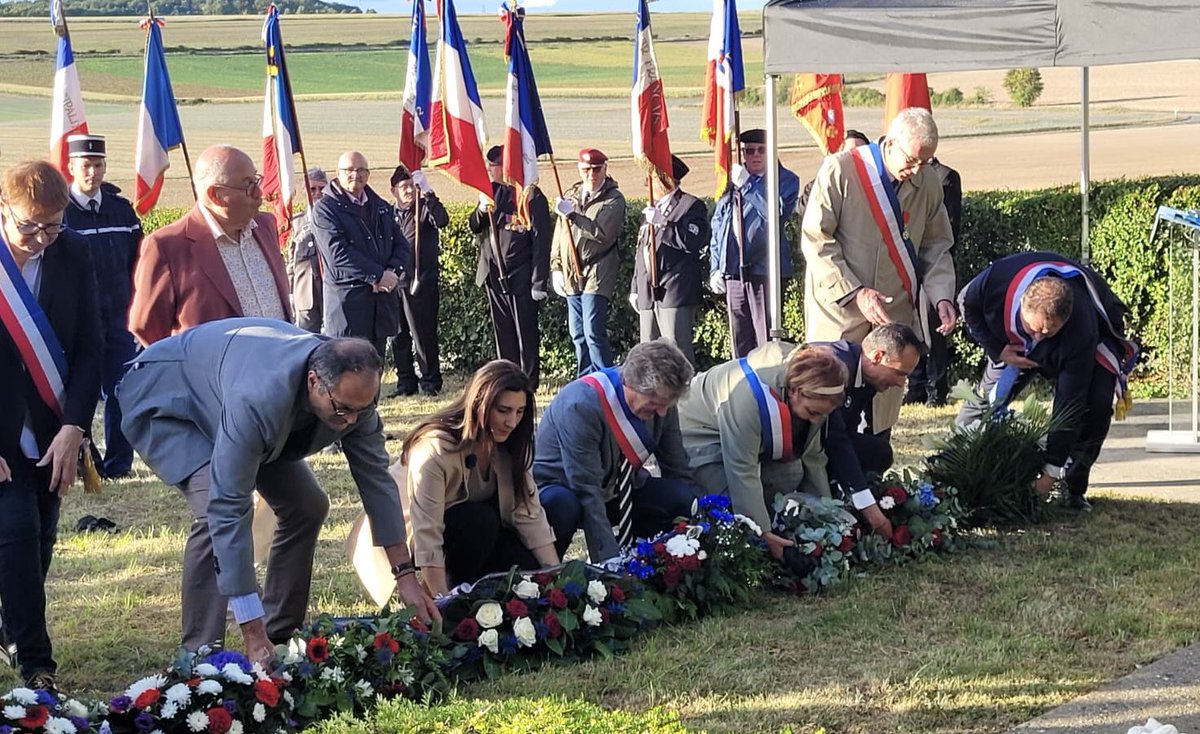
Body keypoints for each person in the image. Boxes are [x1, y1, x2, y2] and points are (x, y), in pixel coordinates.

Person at [119, 317, 438, 664]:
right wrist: (250, 632)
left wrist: (405, 576)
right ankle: (201, 658)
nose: (350, 421)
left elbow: (378, 483)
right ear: (314, 381)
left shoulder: (354, 402)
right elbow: (227, 508)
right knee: (215, 512)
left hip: (233, 400)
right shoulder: (258, 399)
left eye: (361, 410)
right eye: (342, 409)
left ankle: (281, 634)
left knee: (307, 505)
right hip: (168, 402)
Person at [0, 159, 103, 691]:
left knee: (39, 535)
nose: (42, 237)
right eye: (29, 226)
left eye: (53, 225)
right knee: (13, 529)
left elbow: (90, 347)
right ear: (4, 209)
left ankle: (12, 621)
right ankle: (36, 661)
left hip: (52, 426)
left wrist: (75, 427)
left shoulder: (73, 253)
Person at [800, 107, 957, 432]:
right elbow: (816, 239)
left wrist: (942, 297)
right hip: (840, 313)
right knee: (827, 409)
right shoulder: (841, 169)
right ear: (890, 142)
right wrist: (854, 292)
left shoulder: (926, 182)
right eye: (911, 160)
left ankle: (876, 474)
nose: (915, 170)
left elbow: (936, 245)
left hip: (892, 316)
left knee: (880, 417)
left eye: (924, 163)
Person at [956, 252, 1138, 511]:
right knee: (983, 404)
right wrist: (996, 349)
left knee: (1095, 406)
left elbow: (1069, 403)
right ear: (1022, 305)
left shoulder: (1079, 329)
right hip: (1011, 345)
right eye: (1035, 329)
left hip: (1095, 335)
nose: (1040, 337)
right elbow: (967, 305)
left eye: (1048, 331)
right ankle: (953, 469)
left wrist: (1050, 473)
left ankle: (1074, 486)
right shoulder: (996, 281)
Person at [677, 343, 893, 560]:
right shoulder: (748, 400)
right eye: (812, 412)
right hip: (698, 436)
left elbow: (813, 458)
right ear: (794, 391)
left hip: (741, 441)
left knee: (793, 473)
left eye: (822, 415)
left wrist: (830, 517)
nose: (816, 420)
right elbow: (742, 470)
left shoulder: (816, 390)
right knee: (729, 513)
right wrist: (764, 534)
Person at [394, 360, 558, 596]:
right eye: (503, 411)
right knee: (480, 520)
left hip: (484, 532)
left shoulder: (511, 444)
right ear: (480, 404)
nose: (512, 422)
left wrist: (555, 579)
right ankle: (457, 592)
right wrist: (443, 602)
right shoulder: (434, 450)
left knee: (528, 572)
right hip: (428, 534)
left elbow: (528, 513)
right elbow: (426, 534)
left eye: (519, 412)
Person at [535, 340, 701, 563]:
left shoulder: (663, 403)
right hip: (564, 489)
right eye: (655, 403)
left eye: (667, 404)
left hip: (618, 489)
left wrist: (697, 529)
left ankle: (651, 567)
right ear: (633, 385)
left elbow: (678, 468)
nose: (662, 412)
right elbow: (587, 491)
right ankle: (547, 579)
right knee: (564, 507)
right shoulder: (580, 405)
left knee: (677, 497)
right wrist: (610, 568)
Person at [129, 144, 291, 346]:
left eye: (257, 180)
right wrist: (191, 369)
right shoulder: (167, 246)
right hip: (214, 375)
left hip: (281, 368)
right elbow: (147, 327)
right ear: (215, 195)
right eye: (248, 185)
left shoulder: (266, 226)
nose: (260, 193)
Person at [61, 134, 142, 479]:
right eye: (85, 166)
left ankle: (120, 464)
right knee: (80, 391)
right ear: (71, 168)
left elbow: (138, 263)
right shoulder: (60, 214)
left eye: (98, 165)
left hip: (119, 318)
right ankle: (85, 461)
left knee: (122, 391)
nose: (92, 173)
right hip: (78, 322)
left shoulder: (121, 211)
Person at [709, 128, 801, 358]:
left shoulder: (785, 180)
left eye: (762, 150)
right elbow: (719, 225)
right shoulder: (731, 183)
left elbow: (775, 212)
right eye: (749, 151)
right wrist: (716, 267)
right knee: (740, 340)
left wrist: (749, 185)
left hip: (764, 271)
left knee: (765, 340)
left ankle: (767, 388)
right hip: (733, 272)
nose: (756, 156)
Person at [312, 151, 411, 359]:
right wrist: (376, 275)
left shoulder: (381, 206)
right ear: (337, 173)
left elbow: (402, 244)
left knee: (375, 372)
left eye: (360, 170)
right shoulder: (325, 210)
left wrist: (391, 271)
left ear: (368, 174)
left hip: (380, 307)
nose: (355, 174)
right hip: (348, 309)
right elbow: (338, 254)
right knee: (347, 376)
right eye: (349, 170)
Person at [469, 145, 552, 389]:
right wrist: (481, 211)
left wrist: (538, 281)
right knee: (502, 330)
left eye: (492, 166)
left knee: (524, 331)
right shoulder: (489, 193)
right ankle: (506, 376)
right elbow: (474, 226)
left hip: (520, 275)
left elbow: (540, 242)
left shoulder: (530, 197)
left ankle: (527, 379)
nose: (488, 170)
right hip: (493, 274)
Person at [550, 147, 626, 376]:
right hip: (571, 271)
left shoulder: (614, 200)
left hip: (598, 269)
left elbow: (602, 233)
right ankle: (585, 380)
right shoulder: (571, 195)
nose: (591, 175)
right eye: (586, 169)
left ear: (605, 169)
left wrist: (573, 215)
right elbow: (560, 234)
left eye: (596, 169)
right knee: (578, 333)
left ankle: (605, 379)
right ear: (579, 169)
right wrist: (555, 266)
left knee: (593, 331)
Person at [813, 323, 925, 475]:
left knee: (879, 452)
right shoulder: (835, 368)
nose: (900, 383)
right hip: (802, 442)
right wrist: (860, 493)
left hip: (827, 439)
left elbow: (847, 433)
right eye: (899, 373)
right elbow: (834, 436)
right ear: (878, 357)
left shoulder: (869, 379)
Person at [631, 154, 709, 364]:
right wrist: (635, 287)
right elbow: (643, 249)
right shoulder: (650, 208)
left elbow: (692, 241)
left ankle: (685, 396)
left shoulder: (690, 206)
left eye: (653, 178)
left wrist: (664, 224)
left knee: (676, 351)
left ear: (667, 179)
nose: (647, 182)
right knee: (647, 351)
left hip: (675, 288)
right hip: (648, 291)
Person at [904, 156, 963, 407]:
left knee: (934, 329)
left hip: (930, 266)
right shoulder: (899, 176)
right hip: (904, 266)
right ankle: (915, 384)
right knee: (910, 327)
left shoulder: (945, 175)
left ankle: (936, 388)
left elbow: (948, 226)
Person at [388, 164, 448, 397]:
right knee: (399, 335)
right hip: (395, 283)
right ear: (393, 190)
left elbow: (442, 221)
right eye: (403, 187)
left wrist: (429, 193)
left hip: (420, 283)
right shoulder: (387, 213)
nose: (409, 191)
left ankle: (431, 381)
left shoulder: (423, 209)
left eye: (412, 186)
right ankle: (405, 382)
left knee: (423, 335)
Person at [287, 167, 329, 334]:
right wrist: (290, 292)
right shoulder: (296, 223)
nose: (318, 193)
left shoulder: (337, 219)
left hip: (331, 291)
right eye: (312, 189)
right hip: (305, 293)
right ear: (305, 191)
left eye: (322, 188)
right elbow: (291, 261)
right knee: (306, 340)